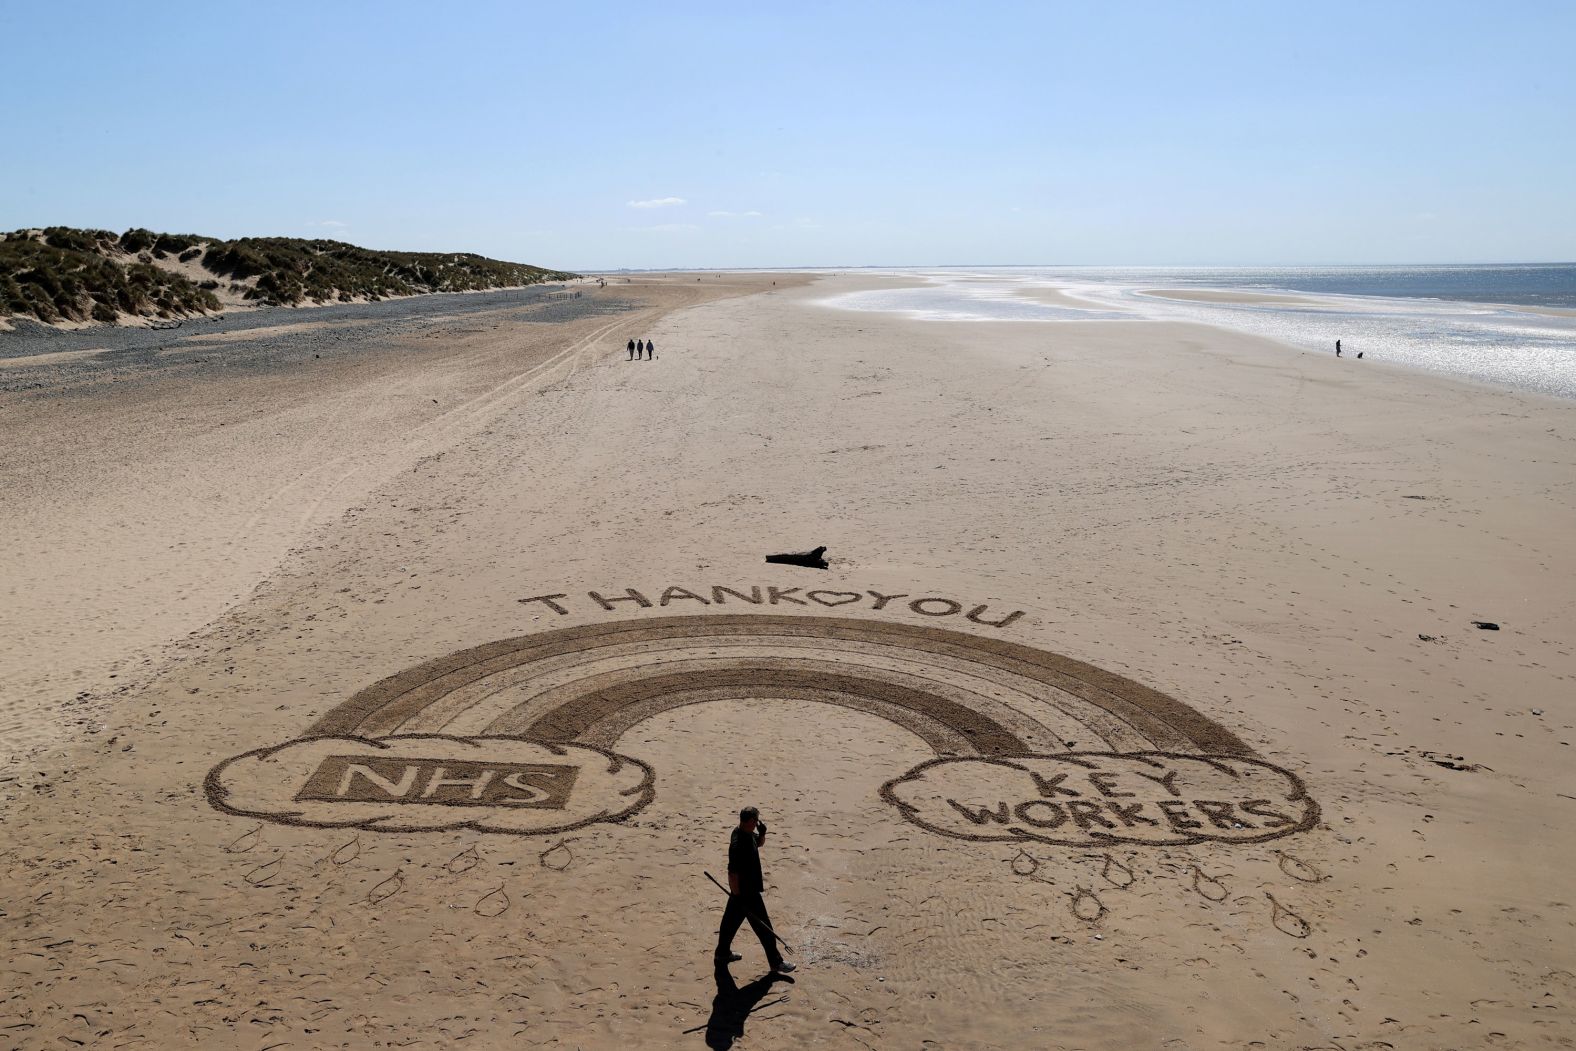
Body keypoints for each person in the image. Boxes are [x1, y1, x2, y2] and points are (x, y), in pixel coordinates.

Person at [715, 806, 795, 973]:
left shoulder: (746, 833)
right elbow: (732, 873)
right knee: (765, 928)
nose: (758, 823)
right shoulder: (738, 843)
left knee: (729, 925)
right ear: (751, 821)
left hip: (741, 893)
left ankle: (722, 954)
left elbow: (758, 843)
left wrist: (763, 833)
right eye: (757, 820)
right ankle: (776, 962)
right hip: (746, 894)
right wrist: (737, 896)